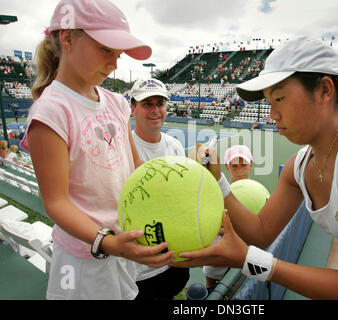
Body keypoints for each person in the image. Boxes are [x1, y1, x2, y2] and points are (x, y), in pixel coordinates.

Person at [173, 36, 338, 299]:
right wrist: (218, 180)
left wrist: (248, 259)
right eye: (268, 102)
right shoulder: (299, 166)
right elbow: (261, 232)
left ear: (324, 90)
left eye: (279, 99)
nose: (271, 115)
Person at [19, 0, 174, 300]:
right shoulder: (50, 112)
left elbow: (136, 166)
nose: (115, 64)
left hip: (118, 249)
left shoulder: (116, 102)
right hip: (81, 261)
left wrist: (176, 188)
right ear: (67, 38)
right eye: (106, 50)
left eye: (118, 54)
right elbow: (56, 202)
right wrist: (109, 242)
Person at [129, 78, 189, 300]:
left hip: (173, 254)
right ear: (133, 109)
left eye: (160, 103)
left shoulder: (174, 145)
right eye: (147, 104)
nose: (155, 110)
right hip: (140, 266)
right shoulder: (124, 148)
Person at [202, 144, 254, 290]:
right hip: (219, 250)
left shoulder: (256, 192)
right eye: (235, 166)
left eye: (243, 165)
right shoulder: (217, 192)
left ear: (251, 165)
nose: (239, 171)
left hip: (245, 249)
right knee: (212, 286)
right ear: (227, 167)